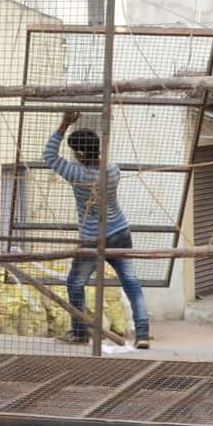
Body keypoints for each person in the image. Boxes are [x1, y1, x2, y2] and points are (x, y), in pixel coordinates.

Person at [44, 110, 150, 349]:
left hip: (92, 237)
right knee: (131, 282)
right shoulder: (111, 169)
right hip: (120, 232)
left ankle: (80, 332)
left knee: (75, 283)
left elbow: (49, 155)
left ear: (80, 154)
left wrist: (63, 125)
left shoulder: (76, 173)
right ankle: (143, 334)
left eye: (74, 152)